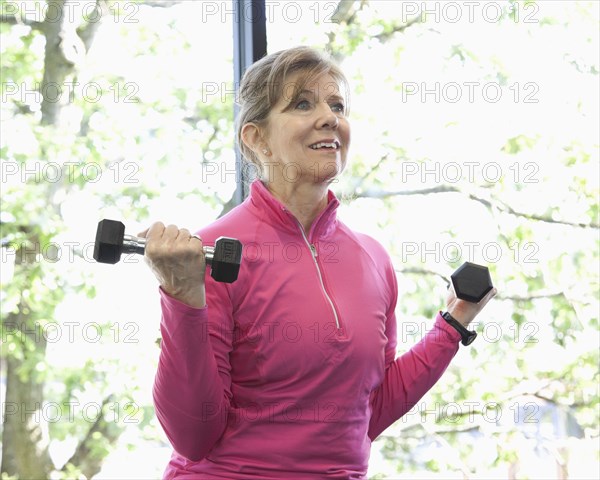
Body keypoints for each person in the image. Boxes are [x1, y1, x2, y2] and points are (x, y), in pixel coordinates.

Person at [139, 46, 496, 479]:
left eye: (338, 105)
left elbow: (371, 412)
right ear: (256, 138)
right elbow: (193, 434)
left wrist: (451, 327)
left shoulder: (372, 260)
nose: (330, 117)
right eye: (303, 103)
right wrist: (183, 296)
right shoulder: (212, 252)